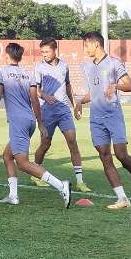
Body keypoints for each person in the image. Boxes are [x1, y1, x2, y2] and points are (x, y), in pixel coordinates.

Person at [0, 42, 71, 208]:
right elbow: (35, 99)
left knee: (22, 163)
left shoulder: (2, 73)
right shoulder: (28, 74)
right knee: (8, 156)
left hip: (18, 122)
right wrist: (40, 123)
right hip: (29, 121)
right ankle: (13, 195)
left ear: (7, 56)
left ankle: (61, 186)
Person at [78, 31, 131, 210]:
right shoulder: (86, 67)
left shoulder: (114, 63)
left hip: (113, 115)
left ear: (96, 45)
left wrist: (116, 85)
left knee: (121, 155)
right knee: (104, 156)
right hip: (96, 118)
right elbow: (92, 92)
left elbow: (130, 86)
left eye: (86, 45)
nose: (85, 49)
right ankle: (122, 198)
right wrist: (79, 102)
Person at [32, 39, 90, 192]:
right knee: (45, 145)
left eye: (47, 51)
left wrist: (74, 106)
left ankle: (80, 181)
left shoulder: (64, 65)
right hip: (47, 111)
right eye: (42, 52)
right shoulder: (39, 67)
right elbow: (36, 90)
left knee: (72, 141)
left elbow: (68, 85)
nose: (44, 55)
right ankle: (35, 174)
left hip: (64, 110)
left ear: (54, 50)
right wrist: (45, 96)